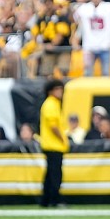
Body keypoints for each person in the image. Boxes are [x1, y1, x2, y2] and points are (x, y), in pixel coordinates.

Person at [39, 78, 68, 208]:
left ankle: (46, 200)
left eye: (61, 89)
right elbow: (53, 125)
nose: (60, 91)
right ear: (50, 91)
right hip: (53, 145)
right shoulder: (51, 104)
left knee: (50, 174)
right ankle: (54, 199)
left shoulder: (53, 103)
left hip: (52, 145)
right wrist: (62, 138)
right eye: (57, 89)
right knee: (55, 174)